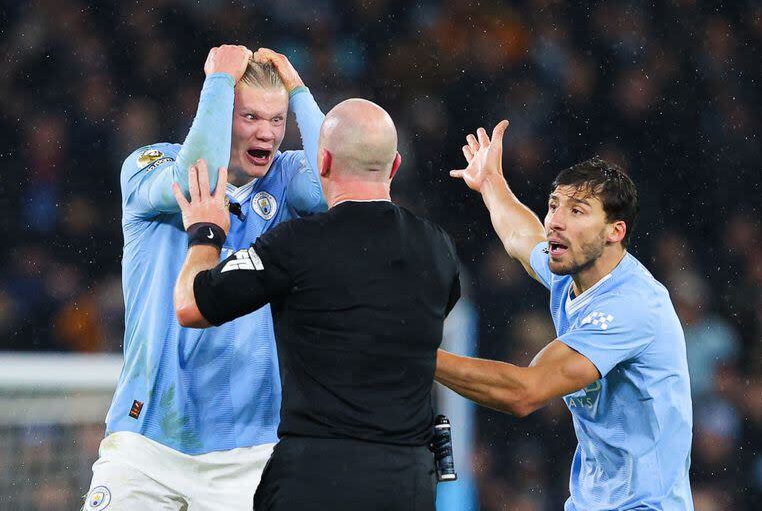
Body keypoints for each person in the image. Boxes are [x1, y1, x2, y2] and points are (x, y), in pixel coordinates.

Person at [172, 98, 461, 511]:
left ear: (321, 161)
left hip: (315, 475)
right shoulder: (438, 248)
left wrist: (206, 233)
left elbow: (190, 306)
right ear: (395, 165)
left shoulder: (296, 244)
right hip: (407, 479)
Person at [83, 45, 326, 511]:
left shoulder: (285, 178)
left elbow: (331, 183)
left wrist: (298, 89)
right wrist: (217, 82)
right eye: (251, 116)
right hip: (145, 441)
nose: (268, 134)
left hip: (248, 452)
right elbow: (200, 176)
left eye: (277, 120)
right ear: (218, 112)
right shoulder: (148, 164)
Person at [436, 121, 694, 510]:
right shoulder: (573, 272)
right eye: (554, 204)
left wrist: (417, 355)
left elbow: (525, 392)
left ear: (614, 231)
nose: (555, 220)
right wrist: (491, 183)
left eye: (577, 210)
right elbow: (522, 238)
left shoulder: (632, 306)